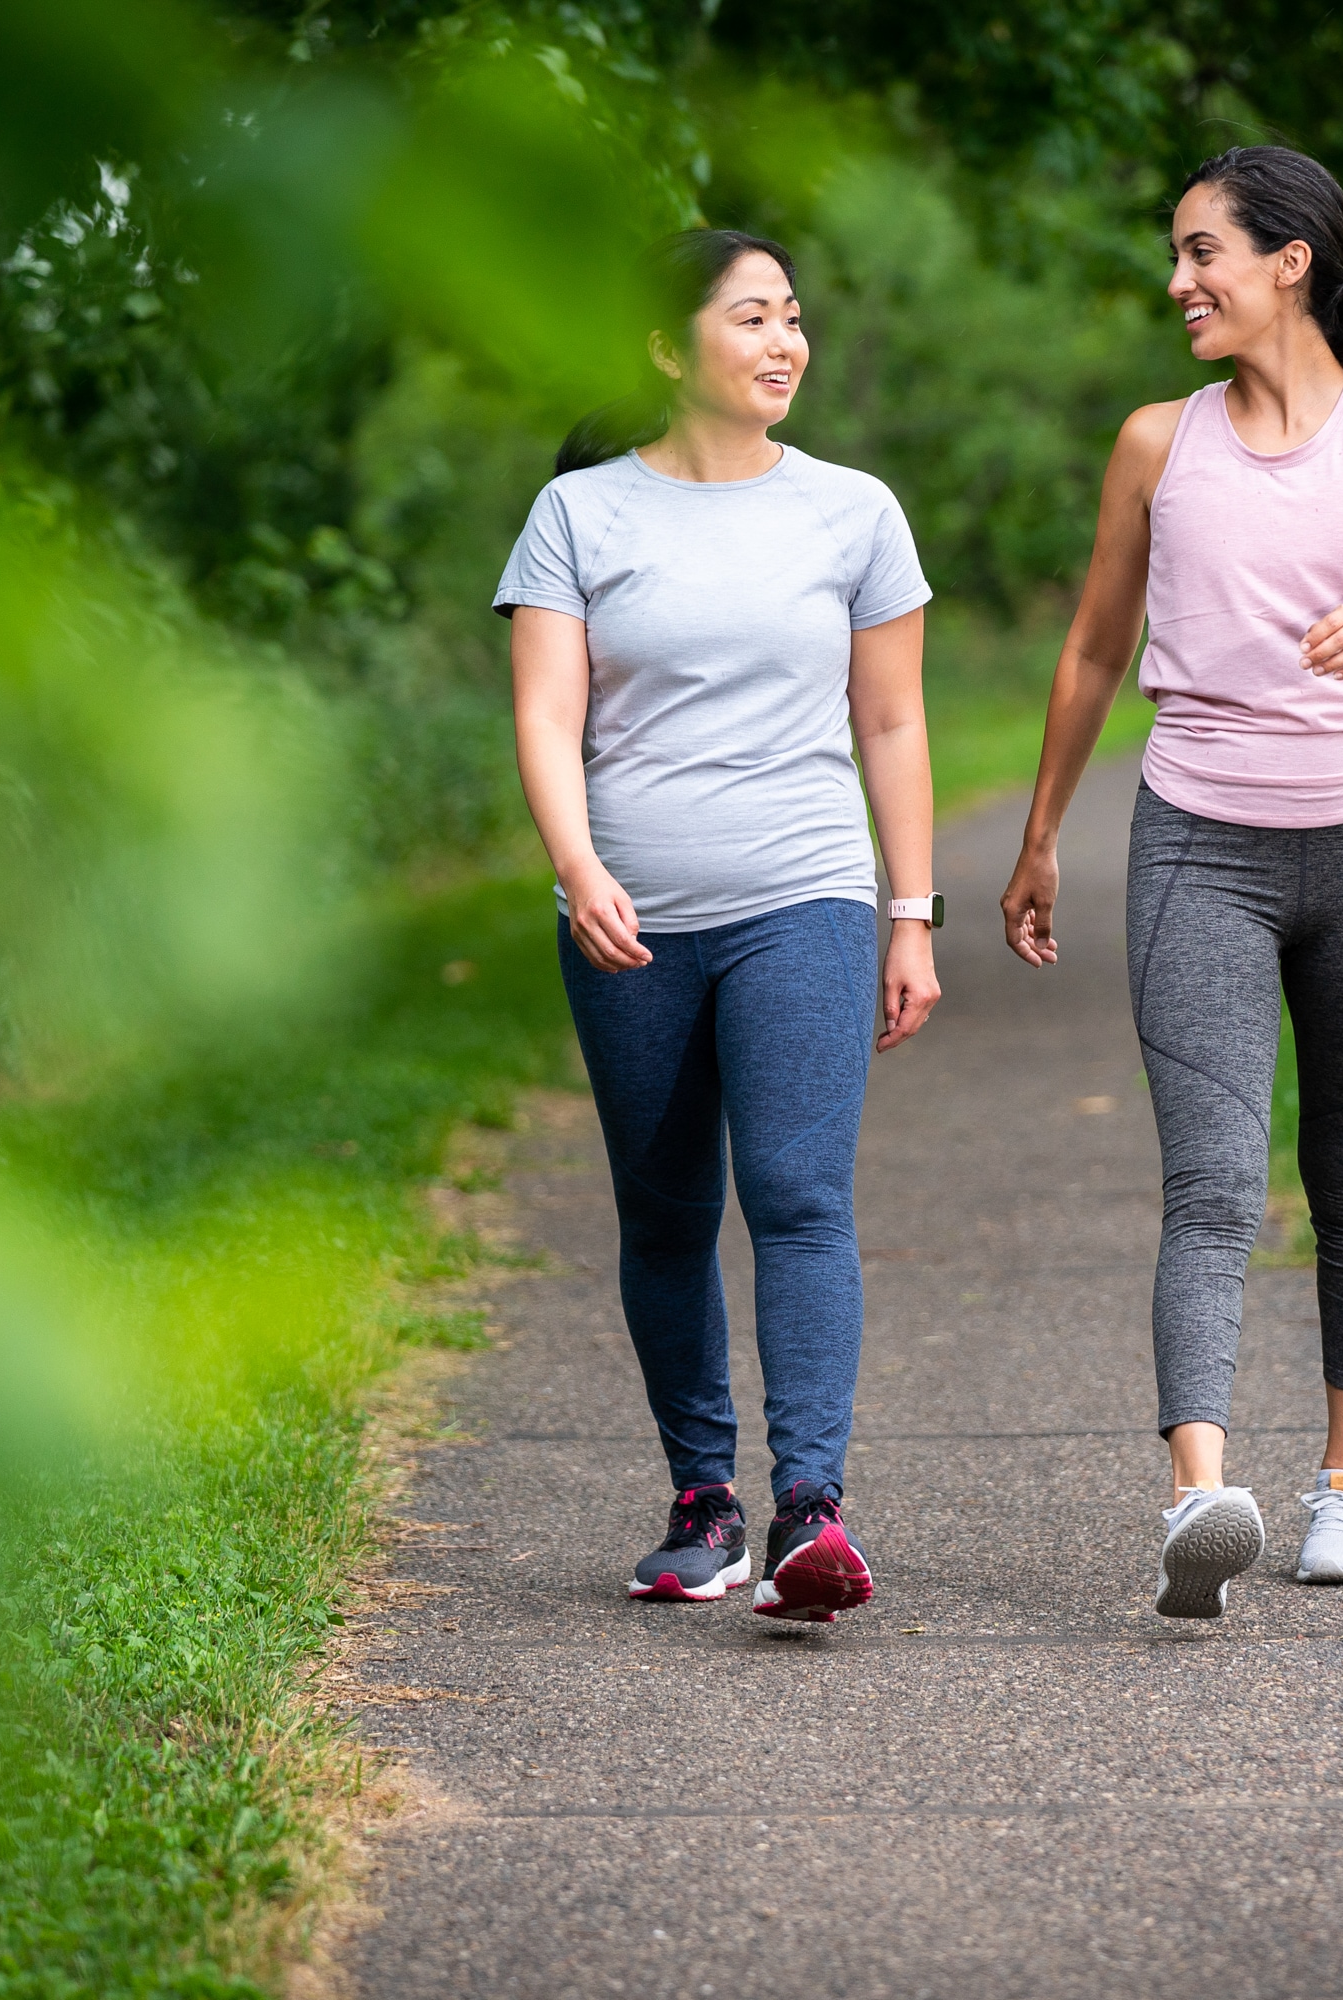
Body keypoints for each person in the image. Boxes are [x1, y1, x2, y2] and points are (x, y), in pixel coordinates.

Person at [997, 147, 1343, 1618]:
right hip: (1198, 845)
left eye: (1201, 251)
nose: (1177, 282)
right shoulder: (1158, 440)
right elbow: (1092, 648)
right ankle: (1200, 1498)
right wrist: (1038, 834)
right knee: (1208, 1187)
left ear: (1291, 261)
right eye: (1175, 253)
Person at [496, 230, 942, 1622]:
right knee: (667, 1212)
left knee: (800, 1197)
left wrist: (909, 912)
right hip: (630, 914)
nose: (783, 343)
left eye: (793, 318)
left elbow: (891, 718)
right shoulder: (579, 516)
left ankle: (813, 1508)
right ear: (663, 346)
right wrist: (577, 867)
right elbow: (548, 713)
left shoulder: (853, 511)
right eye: (752, 318)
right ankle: (705, 1503)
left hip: (800, 894)